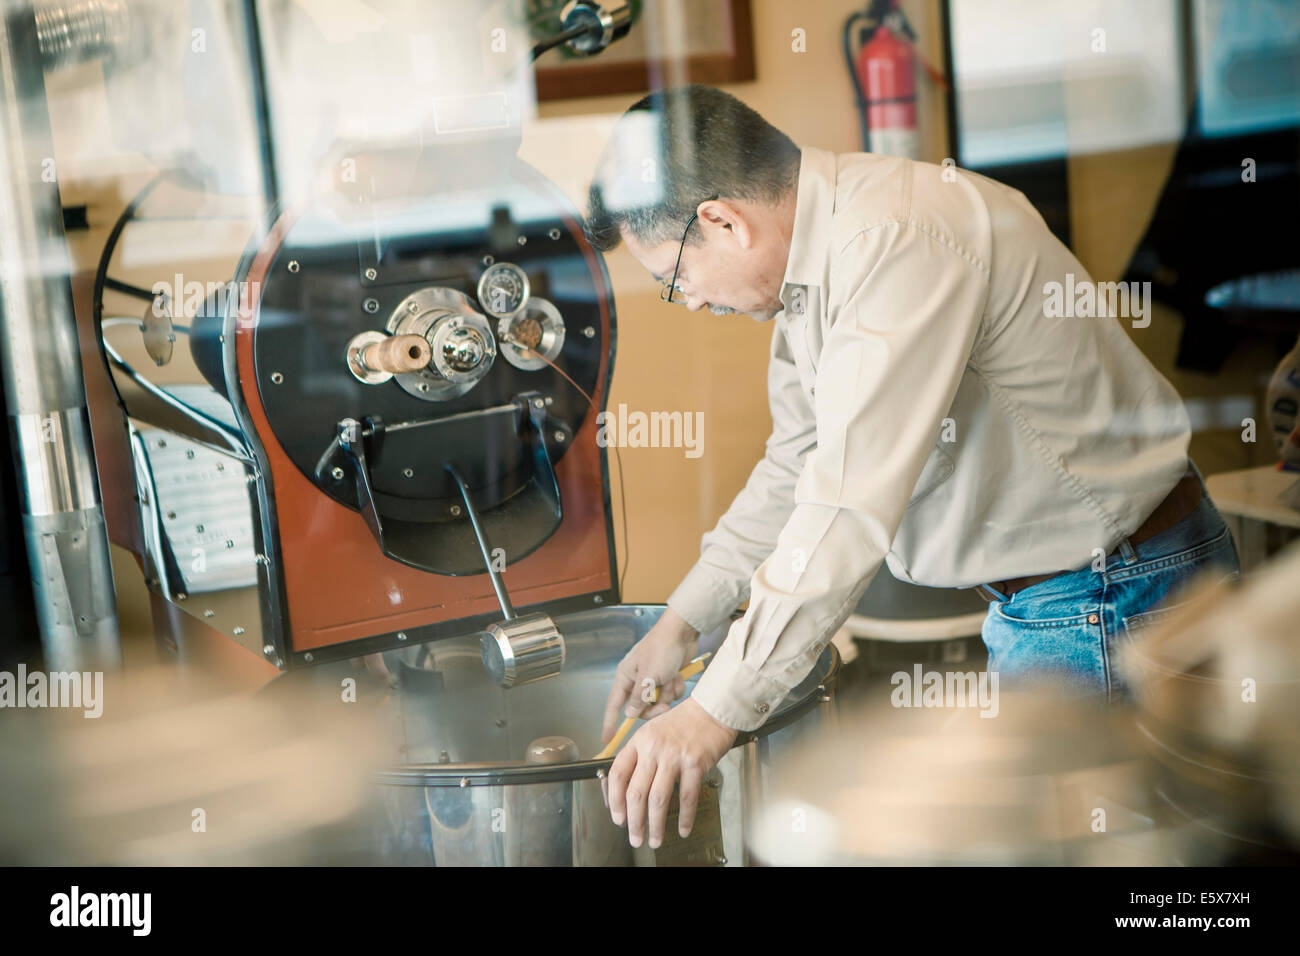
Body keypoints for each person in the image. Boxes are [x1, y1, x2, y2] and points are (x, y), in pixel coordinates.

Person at [582, 85, 1240, 851]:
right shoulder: (823, 257)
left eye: (674, 279)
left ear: (723, 221)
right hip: (1064, 598)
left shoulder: (895, 241)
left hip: (1112, 597)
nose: (687, 302)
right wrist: (683, 623)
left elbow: (845, 506)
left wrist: (712, 712)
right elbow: (798, 461)